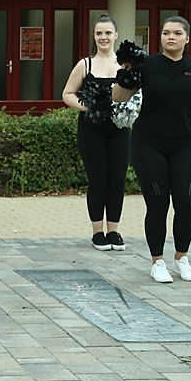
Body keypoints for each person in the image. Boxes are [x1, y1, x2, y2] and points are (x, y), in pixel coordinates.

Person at [113, 15, 191, 284]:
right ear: (159, 37)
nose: (170, 37)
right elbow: (118, 96)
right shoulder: (146, 64)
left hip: (186, 143)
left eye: (176, 33)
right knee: (158, 203)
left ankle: (181, 257)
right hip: (149, 142)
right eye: (165, 33)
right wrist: (126, 71)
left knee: (186, 202)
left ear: (187, 38)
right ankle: (157, 261)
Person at [61, 15, 128, 251]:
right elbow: (67, 93)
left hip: (120, 129)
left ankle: (114, 231)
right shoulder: (85, 64)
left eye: (108, 33)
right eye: (99, 33)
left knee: (117, 181)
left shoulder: (125, 65)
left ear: (116, 35)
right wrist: (87, 107)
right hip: (91, 130)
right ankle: (98, 232)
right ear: (94, 36)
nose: (103, 37)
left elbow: (138, 94)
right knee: (99, 180)